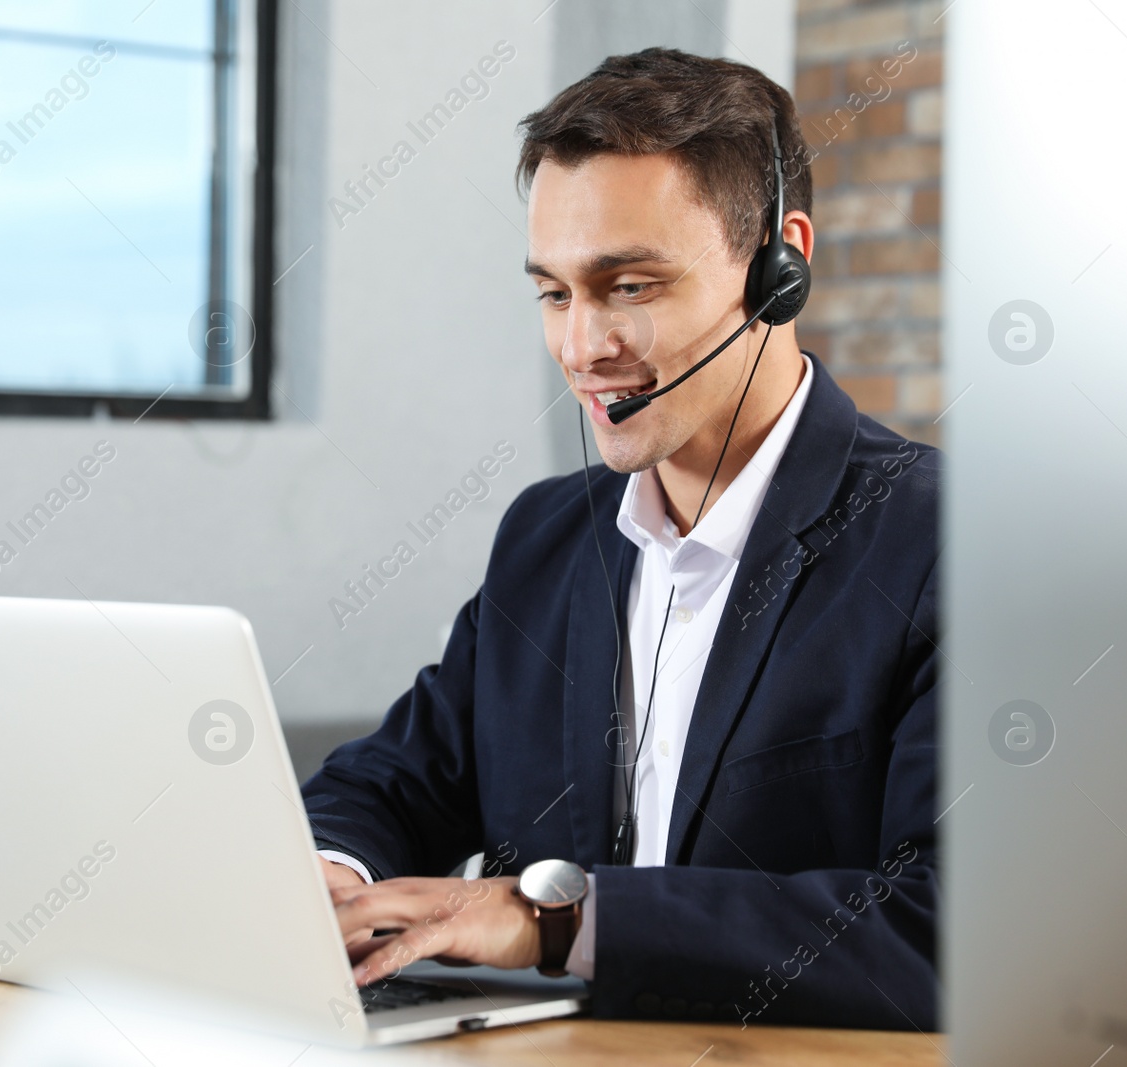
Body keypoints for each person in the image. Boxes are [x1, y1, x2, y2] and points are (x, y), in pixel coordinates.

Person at [301, 47, 939, 1030]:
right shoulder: (547, 537)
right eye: (554, 293)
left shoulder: (941, 542)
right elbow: (394, 780)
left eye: (629, 286)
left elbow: (944, 935)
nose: (580, 346)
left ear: (780, 266)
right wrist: (328, 875)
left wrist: (551, 920)